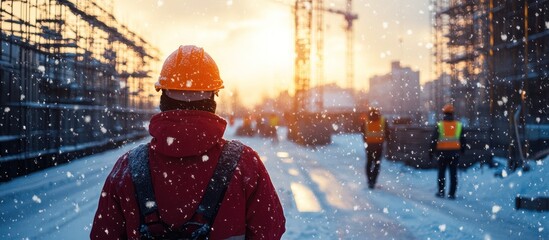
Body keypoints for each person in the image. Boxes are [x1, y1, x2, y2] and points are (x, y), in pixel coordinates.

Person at [91, 45, 286, 239]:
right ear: (213, 99)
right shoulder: (245, 164)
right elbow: (270, 229)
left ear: (162, 98)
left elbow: (102, 235)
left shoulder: (127, 169)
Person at [429, 103, 466, 199]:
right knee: (453, 174)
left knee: (441, 173)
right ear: (452, 113)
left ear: (444, 113)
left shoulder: (440, 125)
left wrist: (431, 151)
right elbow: (463, 139)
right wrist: (462, 150)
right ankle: (452, 194)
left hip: (442, 153)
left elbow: (434, 139)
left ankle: (441, 192)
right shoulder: (458, 125)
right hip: (454, 153)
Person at [361, 107, 389, 189]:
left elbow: (363, 133)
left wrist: (366, 141)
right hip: (379, 145)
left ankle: (369, 180)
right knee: (377, 163)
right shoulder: (383, 120)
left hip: (369, 145)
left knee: (369, 162)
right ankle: (373, 180)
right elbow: (387, 132)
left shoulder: (366, 121)